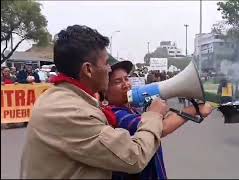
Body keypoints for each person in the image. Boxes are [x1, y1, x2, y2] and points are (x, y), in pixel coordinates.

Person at [20, 25, 170, 179]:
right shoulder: (72, 112)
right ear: (88, 70)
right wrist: (153, 115)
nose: (109, 69)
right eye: (106, 63)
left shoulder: (62, 98)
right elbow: (134, 157)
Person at [97, 60, 213, 179]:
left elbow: (157, 121)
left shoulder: (131, 109)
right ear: (104, 90)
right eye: (117, 81)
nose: (126, 84)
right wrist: (194, 109)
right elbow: (161, 127)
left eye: (126, 79)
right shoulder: (115, 114)